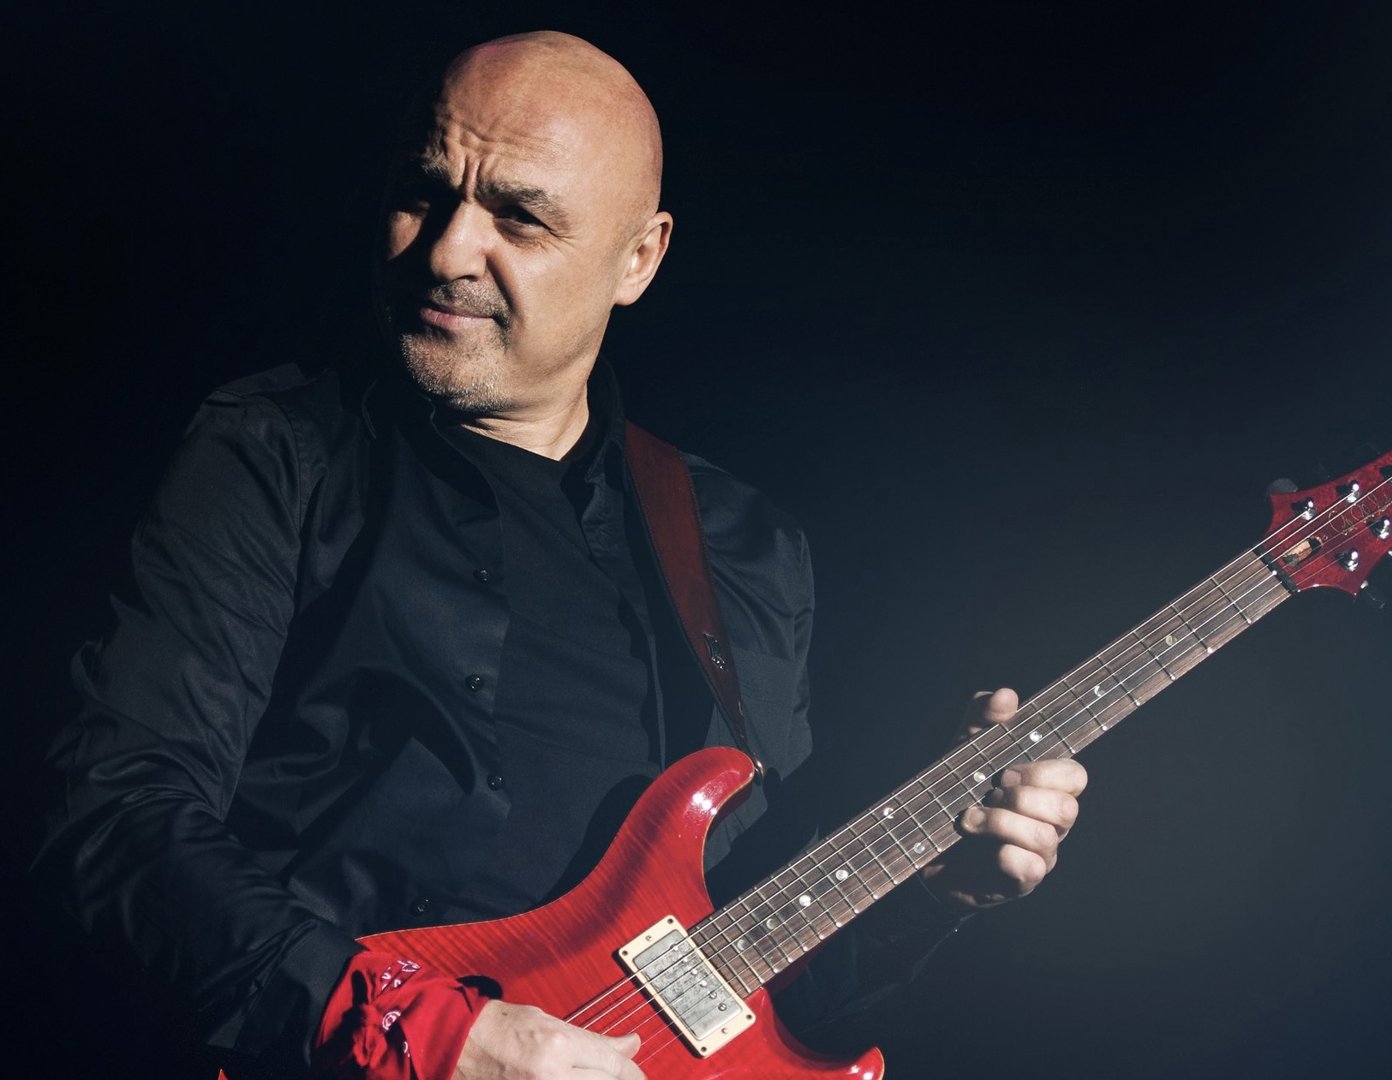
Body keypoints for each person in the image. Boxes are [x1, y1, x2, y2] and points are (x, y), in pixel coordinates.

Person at [34, 30, 1086, 1080]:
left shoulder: (746, 549)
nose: (447, 252)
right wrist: (435, 1035)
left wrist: (930, 893)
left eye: (519, 219)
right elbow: (114, 813)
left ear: (639, 260)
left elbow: (750, 992)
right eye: (424, 195)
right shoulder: (278, 452)